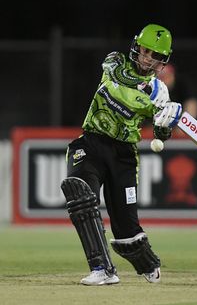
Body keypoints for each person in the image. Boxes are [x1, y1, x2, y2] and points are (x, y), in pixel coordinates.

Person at [60, 23, 183, 286]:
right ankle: (102, 269)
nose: (147, 58)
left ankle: (147, 263)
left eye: (155, 55)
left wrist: (165, 123)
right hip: (90, 144)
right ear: (136, 47)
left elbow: (162, 137)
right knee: (79, 193)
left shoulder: (160, 92)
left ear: (163, 60)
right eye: (144, 51)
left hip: (123, 156)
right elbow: (118, 78)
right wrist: (145, 88)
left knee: (126, 232)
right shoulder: (115, 61)